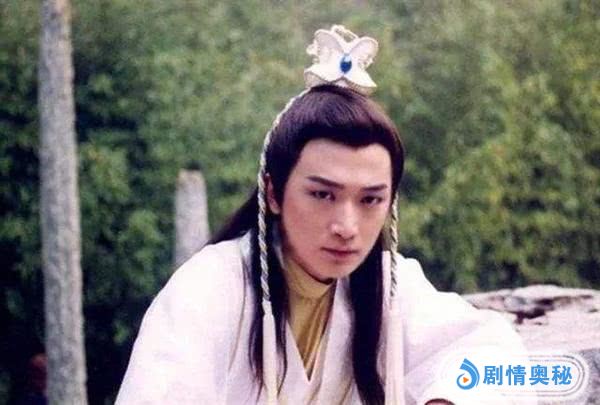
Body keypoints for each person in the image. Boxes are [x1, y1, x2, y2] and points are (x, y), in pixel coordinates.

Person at [115, 26, 532, 405]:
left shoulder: (387, 285)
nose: (347, 227)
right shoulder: (210, 288)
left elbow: (492, 354)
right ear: (273, 193)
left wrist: (445, 398)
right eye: (322, 194)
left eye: (370, 200)